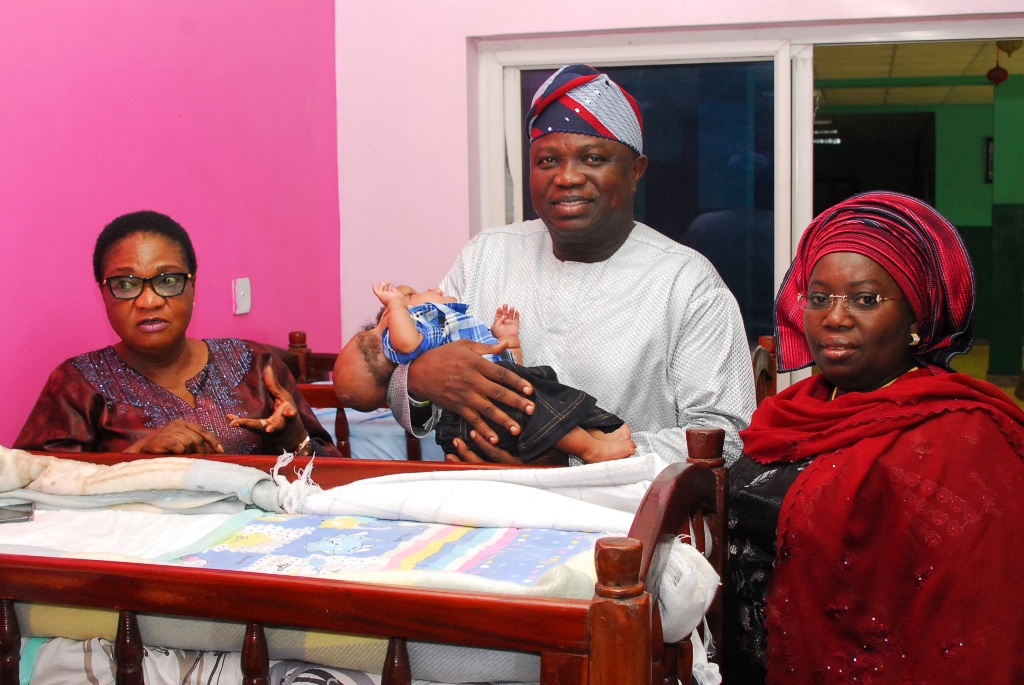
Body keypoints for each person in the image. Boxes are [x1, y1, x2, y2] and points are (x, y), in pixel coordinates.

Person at [384, 64, 755, 465]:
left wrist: (568, 462)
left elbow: (725, 436)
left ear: (635, 172)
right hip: (482, 502)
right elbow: (410, 385)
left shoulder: (686, 282)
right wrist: (420, 383)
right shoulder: (486, 256)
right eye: (547, 161)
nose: (567, 177)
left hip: (621, 515)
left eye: (593, 158)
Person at [725, 191, 1024, 684]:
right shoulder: (793, 412)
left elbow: (977, 625)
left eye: (865, 300)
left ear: (916, 317)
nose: (834, 318)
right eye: (819, 299)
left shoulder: (964, 439)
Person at [15, 211, 338, 457]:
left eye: (167, 280)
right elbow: (37, 487)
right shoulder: (78, 382)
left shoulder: (255, 364)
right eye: (125, 284)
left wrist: (293, 438)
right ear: (104, 295)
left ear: (192, 285)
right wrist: (134, 458)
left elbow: (334, 476)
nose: (149, 301)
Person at [335, 283, 635, 464]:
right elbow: (405, 339)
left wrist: (508, 339)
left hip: (497, 394)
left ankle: (597, 432)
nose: (435, 289)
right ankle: (591, 449)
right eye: (418, 295)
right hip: (471, 416)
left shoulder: (452, 327)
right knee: (537, 410)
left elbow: (510, 367)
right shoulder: (418, 332)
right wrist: (399, 303)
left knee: (555, 398)